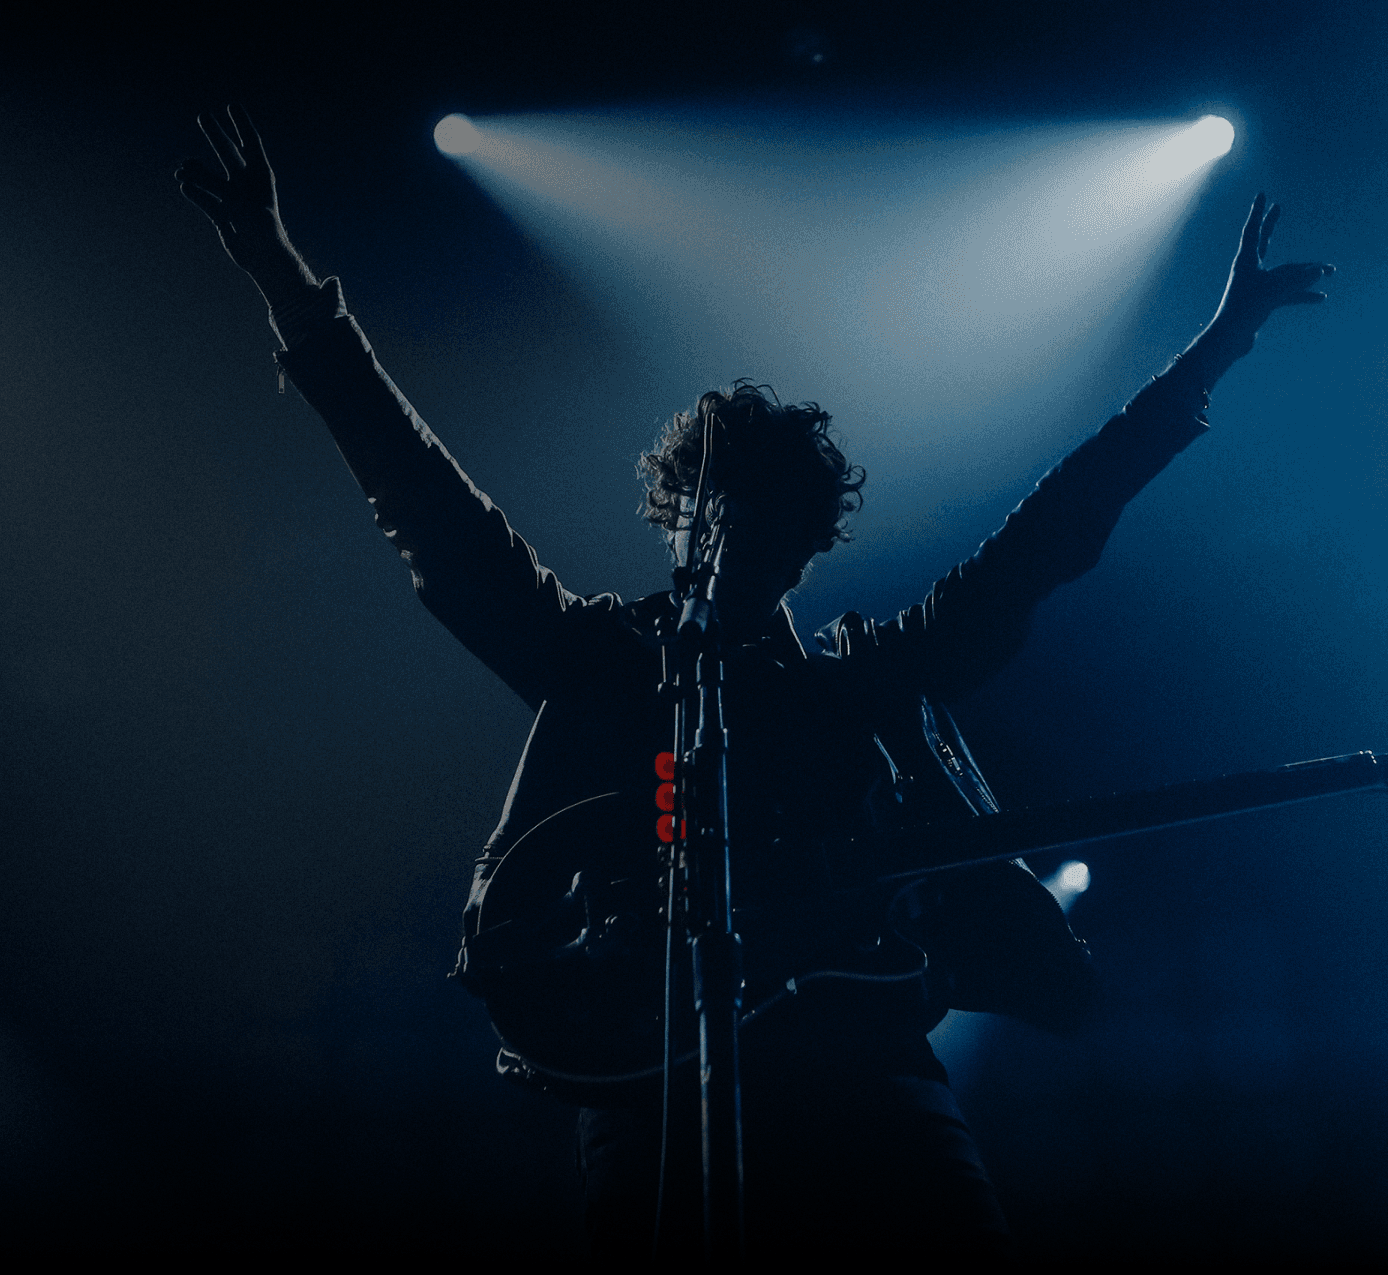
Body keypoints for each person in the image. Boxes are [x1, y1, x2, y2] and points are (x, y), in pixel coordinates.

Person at [176, 106, 1333, 1258]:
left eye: (777, 518)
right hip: (655, 1088)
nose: (745, 534)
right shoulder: (607, 663)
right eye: (723, 509)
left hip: (873, 1080)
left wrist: (1217, 345)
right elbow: (429, 510)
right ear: (682, 519)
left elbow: (1053, 531)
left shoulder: (863, 679)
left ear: (809, 541)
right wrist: (282, 275)